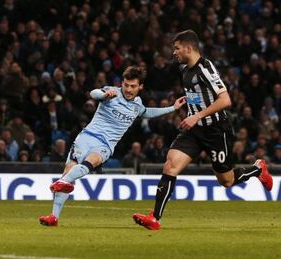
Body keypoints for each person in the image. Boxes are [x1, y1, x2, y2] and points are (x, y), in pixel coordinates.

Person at [132, 30, 273, 231]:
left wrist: (197, 115)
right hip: (194, 130)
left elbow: (226, 100)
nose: (174, 52)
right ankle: (155, 218)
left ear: (189, 48)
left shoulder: (206, 68)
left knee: (226, 180)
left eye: (177, 48)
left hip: (216, 130)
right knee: (170, 165)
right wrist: (188, 104)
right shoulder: (185, 70)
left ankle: (258, 169)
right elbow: (200, 95)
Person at [39, 66, 187, 226]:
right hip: (86, 137)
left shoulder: (137, 105)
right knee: (69, 169)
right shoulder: (112, 92)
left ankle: (64, 182)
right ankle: (54, 216)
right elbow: (93, 93)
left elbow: (148, 112)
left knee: (92, 160)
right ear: (121, 83)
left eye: (133, 86)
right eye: (126, 85)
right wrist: (104, 95)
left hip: (105, 144)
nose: (128, 89)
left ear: (140, 87)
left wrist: (173, 108)